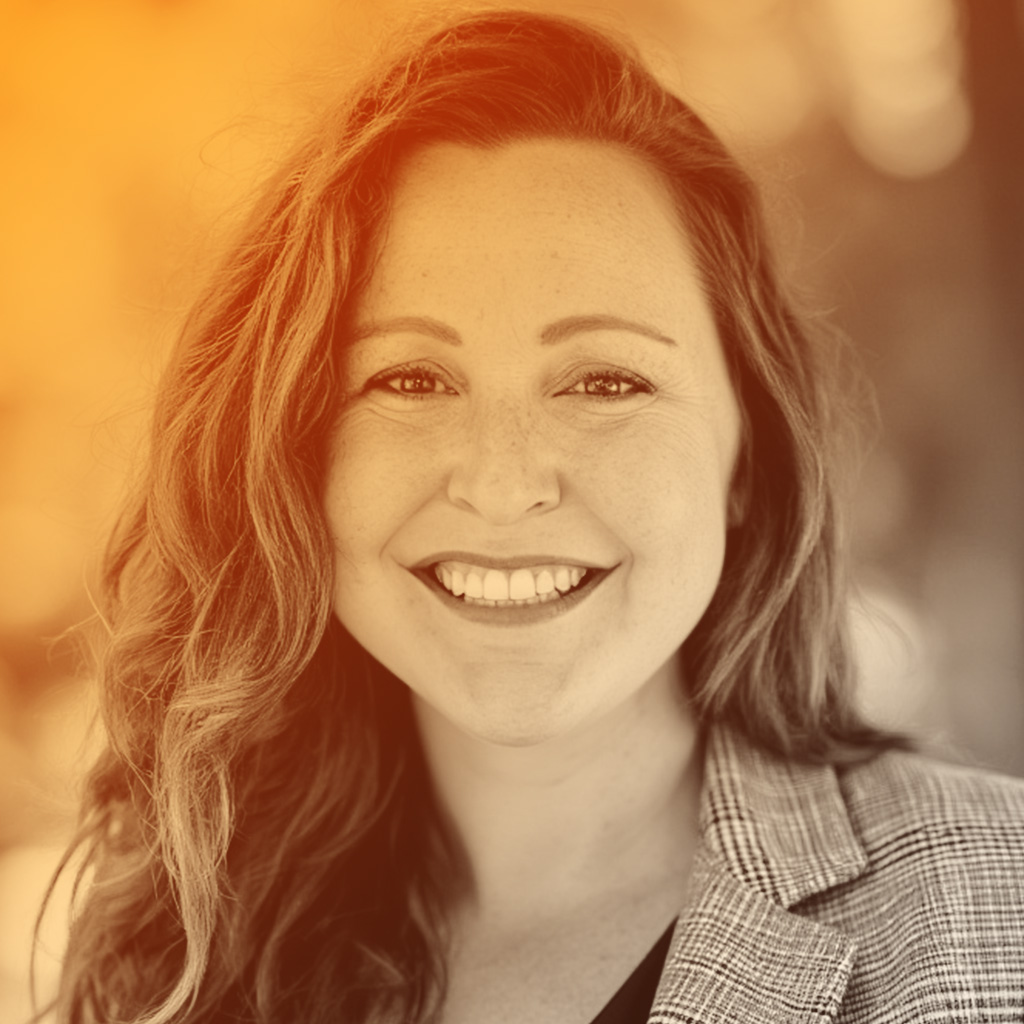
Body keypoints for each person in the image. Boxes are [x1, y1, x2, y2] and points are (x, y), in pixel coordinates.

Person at [40, 9, 1024, 1024]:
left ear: (748, 456)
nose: (503, 484)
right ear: (296, 452)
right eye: (412, 377)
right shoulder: (178, 955)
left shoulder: (992, 911)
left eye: (603, 381)